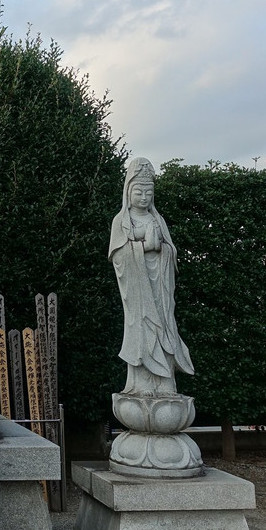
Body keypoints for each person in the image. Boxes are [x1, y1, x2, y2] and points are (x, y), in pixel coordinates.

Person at [108, 157, 194, 396]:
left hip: (160, 293)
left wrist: (161, 249)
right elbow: (117, 257)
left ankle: (165, 384)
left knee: (164, 329)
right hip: (138, 294)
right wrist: (142, 247)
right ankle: (140, 385)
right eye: (138, 192)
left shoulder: (158, 220)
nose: (144, 197)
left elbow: (171, 251)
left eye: (149, 192)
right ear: (128, 192)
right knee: (142, 331)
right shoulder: (121, 221)